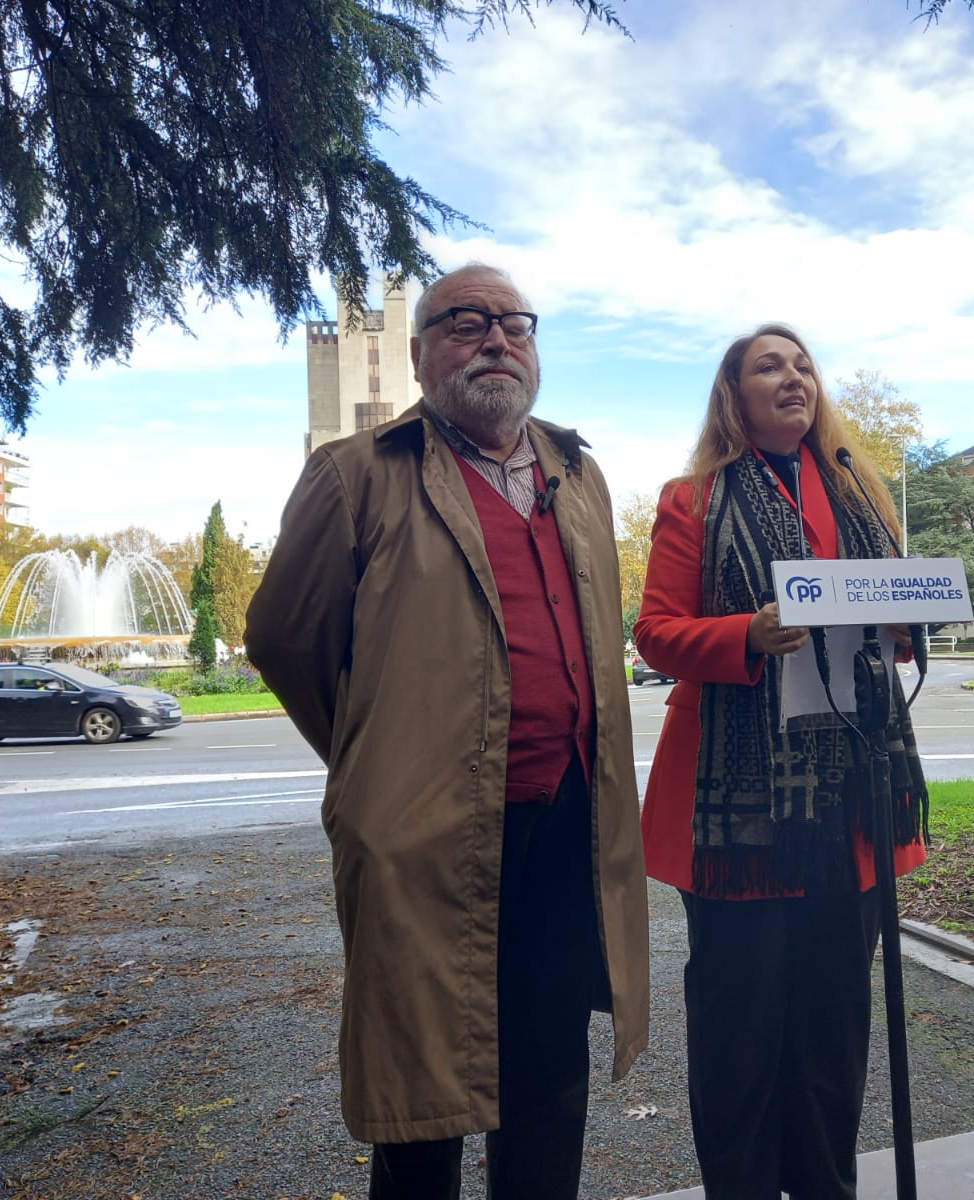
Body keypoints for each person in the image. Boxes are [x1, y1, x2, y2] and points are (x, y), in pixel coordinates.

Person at [244, 263, 649, 1200]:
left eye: (515, 323)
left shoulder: (576, 472)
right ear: (422, 356)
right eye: (466, 323)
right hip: (424, 839)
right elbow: (285, 639)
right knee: (420, 1093)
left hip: (566, 829)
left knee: (549, 1077)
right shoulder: (356, 474)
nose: (496, 339)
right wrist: (379, 762)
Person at [634, 323, 929, 1200]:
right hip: (742, 809)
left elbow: (896, 631)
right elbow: (652, 634)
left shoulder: (860, 493)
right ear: (735, 393)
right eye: (770, 365)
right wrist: (746, 634)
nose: (792, 376)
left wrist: (912, 619)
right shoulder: (691, 499)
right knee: (739, 1026)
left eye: (803, 365)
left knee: (835, 1024)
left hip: (852, 800)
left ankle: (826, 1186)